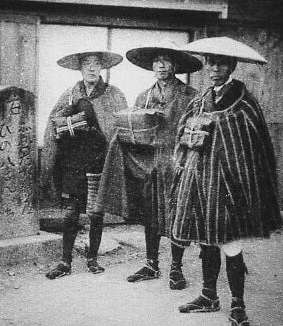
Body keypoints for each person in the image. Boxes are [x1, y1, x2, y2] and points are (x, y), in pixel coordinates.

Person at [168, 37, 281, 326]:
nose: (214, 68)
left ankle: (238, 304)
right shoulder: (200, 99)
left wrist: (217, 130)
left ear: (231, 66)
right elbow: (184, 132)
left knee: (230, 242)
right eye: (210, 62)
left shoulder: (244, 101)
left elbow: (251, 144)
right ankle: (208, 295)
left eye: (220, 63)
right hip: (199, 182)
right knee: (206, 239)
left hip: (230, 184)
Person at [93, 44, 202, 287]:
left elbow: (195, 131)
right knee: (151, 216)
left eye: (166, 61)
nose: (161, 66)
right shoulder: (143, 96)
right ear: (152, 66)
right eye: (157, 61)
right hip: (150, 166)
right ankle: (152, 264)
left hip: (177, 165)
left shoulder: (190, 96)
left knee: (176, 216)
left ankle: (176, 268)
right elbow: (136, 129)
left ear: (175, 66)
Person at [41, 50, 128, 279]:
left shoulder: (113, 94)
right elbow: (53, 124)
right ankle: (65, 261)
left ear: (102, 68)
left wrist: (98, 131)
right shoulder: (70, 93)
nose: (91, 68)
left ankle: (92, 258)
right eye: (87, 64)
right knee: (71, 213)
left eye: (96, 64)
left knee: (95, 213)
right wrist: (63, 128)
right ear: (80, 68)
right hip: (72, 161)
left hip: (99, 160)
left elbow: (120, 128)